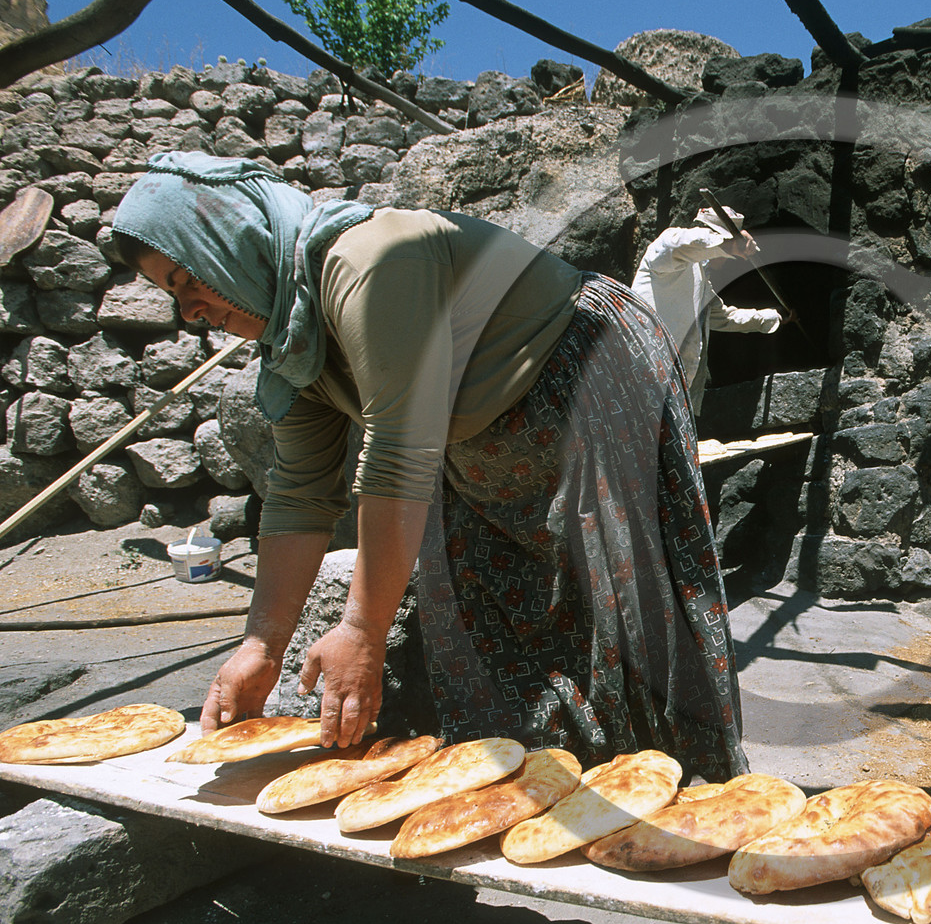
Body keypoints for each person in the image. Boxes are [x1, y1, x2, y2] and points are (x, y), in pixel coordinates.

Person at [111, 152, 747, 783]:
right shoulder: (294, 343)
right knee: (489, 631)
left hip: (583, 383)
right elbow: (300, 496)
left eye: (187, 279)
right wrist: (261, 645)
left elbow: (396, 451)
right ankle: (536, 794)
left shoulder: (368, 262)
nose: (190, 310)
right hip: (476, 448)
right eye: (174, 295)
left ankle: (676, 799)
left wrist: (362, 627)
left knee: (624, 611)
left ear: (230, 240)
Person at [630, 206, 786, 414]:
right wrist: (726, 244)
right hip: (639, 369)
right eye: (727, 254)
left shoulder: (702, 284)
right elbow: (681, 244)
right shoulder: (666, 253)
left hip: (670, 385)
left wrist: (774, 317)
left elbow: (725, 317)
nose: (726, 259)